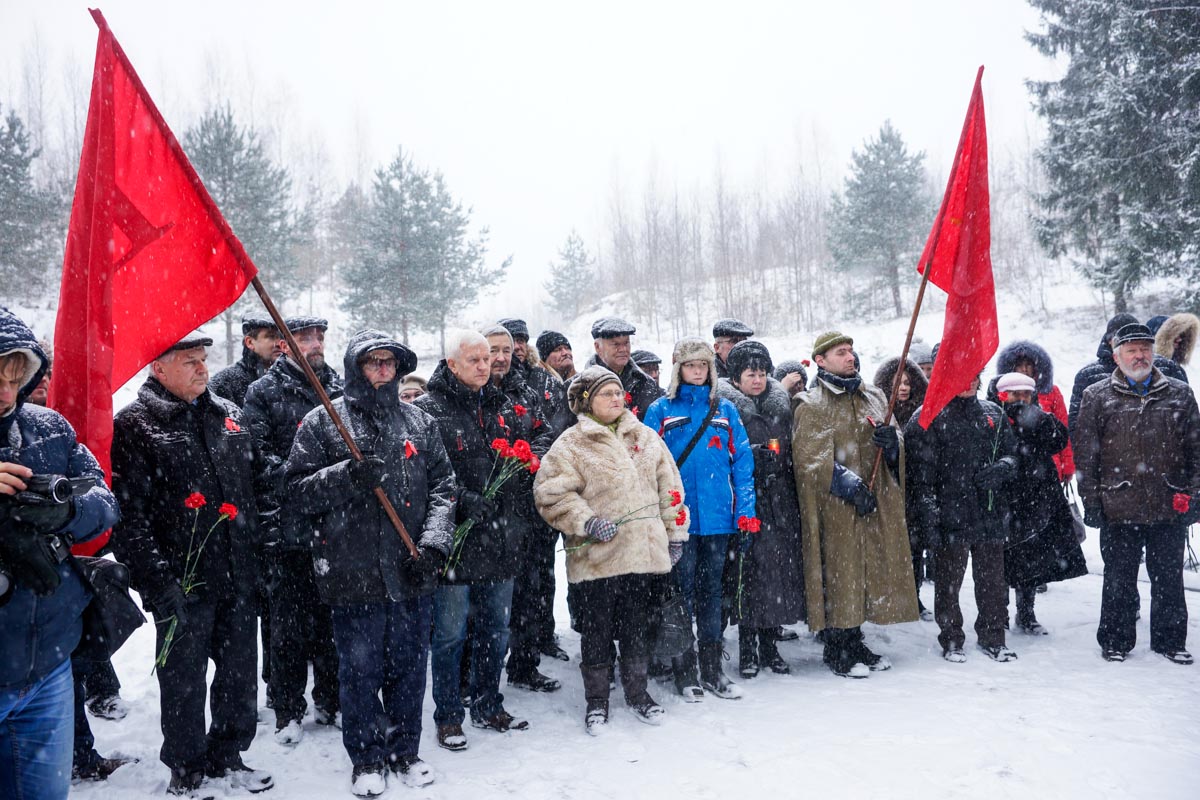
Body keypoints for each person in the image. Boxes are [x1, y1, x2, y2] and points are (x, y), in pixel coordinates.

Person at [286, 330, 455, 795]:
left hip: (410, 571)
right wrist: (346, 476)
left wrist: (434, 547)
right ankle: (365, 757)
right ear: (354, 368)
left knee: (408, 668)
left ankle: (406, 750)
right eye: (372, 362)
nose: (382, 370)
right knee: (359, 673)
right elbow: (296, 491)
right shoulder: (323, 422)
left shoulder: (420, 423)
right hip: (351, 572)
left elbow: (444, 487)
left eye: (389, 363)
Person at [111, 332, 272, 796]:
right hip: (181, 580)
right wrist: (158, 581)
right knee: (183, 681)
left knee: (239, 675)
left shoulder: (229, 415)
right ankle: (186, 766)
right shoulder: (137, 426)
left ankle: (229, 753)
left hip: (238, 574)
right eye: (189, 362)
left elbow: (259, 487)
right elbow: (130, 517)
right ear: (158, 369)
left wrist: (261, 552)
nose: (202, 368)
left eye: (203, 360)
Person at [1, 308, 120, 800]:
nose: (6, 393)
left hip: (48, 669)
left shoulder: (49, 427)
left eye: (15, 377)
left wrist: (65, 510)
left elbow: (105, 501)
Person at [414, 331, 552, 750]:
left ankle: (489, 702)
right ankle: (449, 714)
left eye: (487, 358)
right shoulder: (428, 410)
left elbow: (535, 439)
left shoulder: (504, 404)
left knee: (496, 629)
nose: (483, 365)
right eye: (473, 359)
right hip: (457, 541)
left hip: (500, 538)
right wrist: (462, 500)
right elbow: (425, 477)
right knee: (452, 635)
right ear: (452, 364)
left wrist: (524, 467)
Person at [534, 366, 688, 734]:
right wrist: (586, 521)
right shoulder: (571, 444)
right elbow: (550, 493)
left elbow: (671, 488)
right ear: (587, 401)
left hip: (642, 556)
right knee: (597, 632)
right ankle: (597, 702)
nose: (616, 399)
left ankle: (638, 693)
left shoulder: (646, 437)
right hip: (598, 560)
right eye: (607, 394)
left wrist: (675, 534)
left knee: (638, 629)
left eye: (619, 393)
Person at [792, 332, 917, 677]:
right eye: (841, 353)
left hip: (876, 503)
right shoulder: (811, 403)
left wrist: (892, 445)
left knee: (867, 571)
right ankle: (837, 645)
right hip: (836, 506)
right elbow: (809, 460)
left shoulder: (875, 397)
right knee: (840, 572)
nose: (850, 358)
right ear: (820, 360)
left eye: (851, 352)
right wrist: (846, 484)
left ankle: (856, 638)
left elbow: (898, 450)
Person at [242, 316, 343, 745]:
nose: (315, 343)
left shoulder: (339, 386)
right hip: (285, 527)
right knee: (287, 626)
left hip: (335, 527)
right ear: (285, 344)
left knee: (331, 623)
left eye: (319, 336)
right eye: (305, 337)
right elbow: (256, 454)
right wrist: (304, 480)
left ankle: (330, 700)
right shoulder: (263, 392)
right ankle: (288, 708)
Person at [1075, 323, 1198, 665]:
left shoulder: (1179, 393)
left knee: (1169, 579)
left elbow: (1196, 450)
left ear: (1153, 353)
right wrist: (1092, 501)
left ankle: (1171, 641)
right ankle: (1115, 640)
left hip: (1169, 503)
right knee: (1118, 580)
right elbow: (1087, 455)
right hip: (1118, 503)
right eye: (1131, 350)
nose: (1139, 355)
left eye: (1145, 349)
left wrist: (1195, 495)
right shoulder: (1096, 396)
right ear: (1117, 356)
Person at [643, 338, 756, 700]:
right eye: (691, 366)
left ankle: (713, 668)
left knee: (713, 595)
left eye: (703, 366)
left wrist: (746, 512)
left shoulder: (725, 410)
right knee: (682, 595)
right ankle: (684, 668)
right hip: (680, 521)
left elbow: (743, 464)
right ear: (679, 370)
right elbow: (648, 467)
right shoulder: (660, 410)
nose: (697, 372)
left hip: (720, 520)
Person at [905, 373, 1019, 664]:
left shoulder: (994, 413)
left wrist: (1003, 468)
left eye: (974, 375)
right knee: (948, 582)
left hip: (989, 512)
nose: (968, 381)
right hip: (950, 514)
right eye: (962, 374)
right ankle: (951, 637)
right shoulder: (929, 416)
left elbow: (1012, 454)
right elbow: (921, 475)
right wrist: (930, 516)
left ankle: (994, 636)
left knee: (993, 581)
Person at [716, 341, 805, 678]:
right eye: (750, 374)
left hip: (780, 500)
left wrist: (778, 460)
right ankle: (748, 649)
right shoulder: (726, 408)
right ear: (736, 378)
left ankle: (770, 646)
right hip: (746, 500)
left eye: (763, 373)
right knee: (746, 578)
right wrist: (750, 457)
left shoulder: (781, 406)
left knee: (776, 578)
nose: (758, 379)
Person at [481, 324, 560, 694]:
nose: (499, 358)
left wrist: (531, 455)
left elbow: (545, 429)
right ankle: (477, 676)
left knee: (529, 593)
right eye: (492, 350)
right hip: (483, 511)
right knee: (485, 604)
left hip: (525, 507)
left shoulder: (526, 390)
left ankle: (524, 665)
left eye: (505, 350)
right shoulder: (472, 389)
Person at [992, 372, 1087, 634]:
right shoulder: (993, 416)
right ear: (1003, 395)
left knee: (1031, 559)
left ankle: (1026, 614)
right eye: (1015, 395)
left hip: (1037, 497)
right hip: (1004, 499)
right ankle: (997, 615)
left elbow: (1059, 439)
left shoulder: (1039, 417)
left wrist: (1038, 419)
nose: (1021, 399)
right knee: (999, 560)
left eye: (1026, 394)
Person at [873, 356, 933, 620]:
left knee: (914, 548)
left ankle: (914, 594)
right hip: (890, 488)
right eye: (898, 382)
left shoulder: (924, 412)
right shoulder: (881, 413)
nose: (904, 388)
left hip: (916, 488)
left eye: (908, 382)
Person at [1069, 313, 1188, 438]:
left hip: (1165, 451)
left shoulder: (1168, 368)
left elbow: (1188, 420)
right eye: (1121, 339)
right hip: (1112, 454)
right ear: (1109, 340)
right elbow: (1079, 429)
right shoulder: (1088, 376)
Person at [985, 340, 1075, 483]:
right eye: (1020, 365)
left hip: (1048, 462)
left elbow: (1063, 425)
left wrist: (1068, 464)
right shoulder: (1002, 395)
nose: (1024, 369)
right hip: (1014, 469)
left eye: (1028, 365)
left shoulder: (1051, 392)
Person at [586, 317, 664, 421]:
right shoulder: (581, 387)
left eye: (626, 343)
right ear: (597, 347)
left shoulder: (646, 383)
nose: (623, 349)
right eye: (616, 344)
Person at [209, 316, 283, 407]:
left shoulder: (288, 378)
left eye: (282, 337)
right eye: (271, 337)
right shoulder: (225, 382)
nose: (280, 343)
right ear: (250, 342)